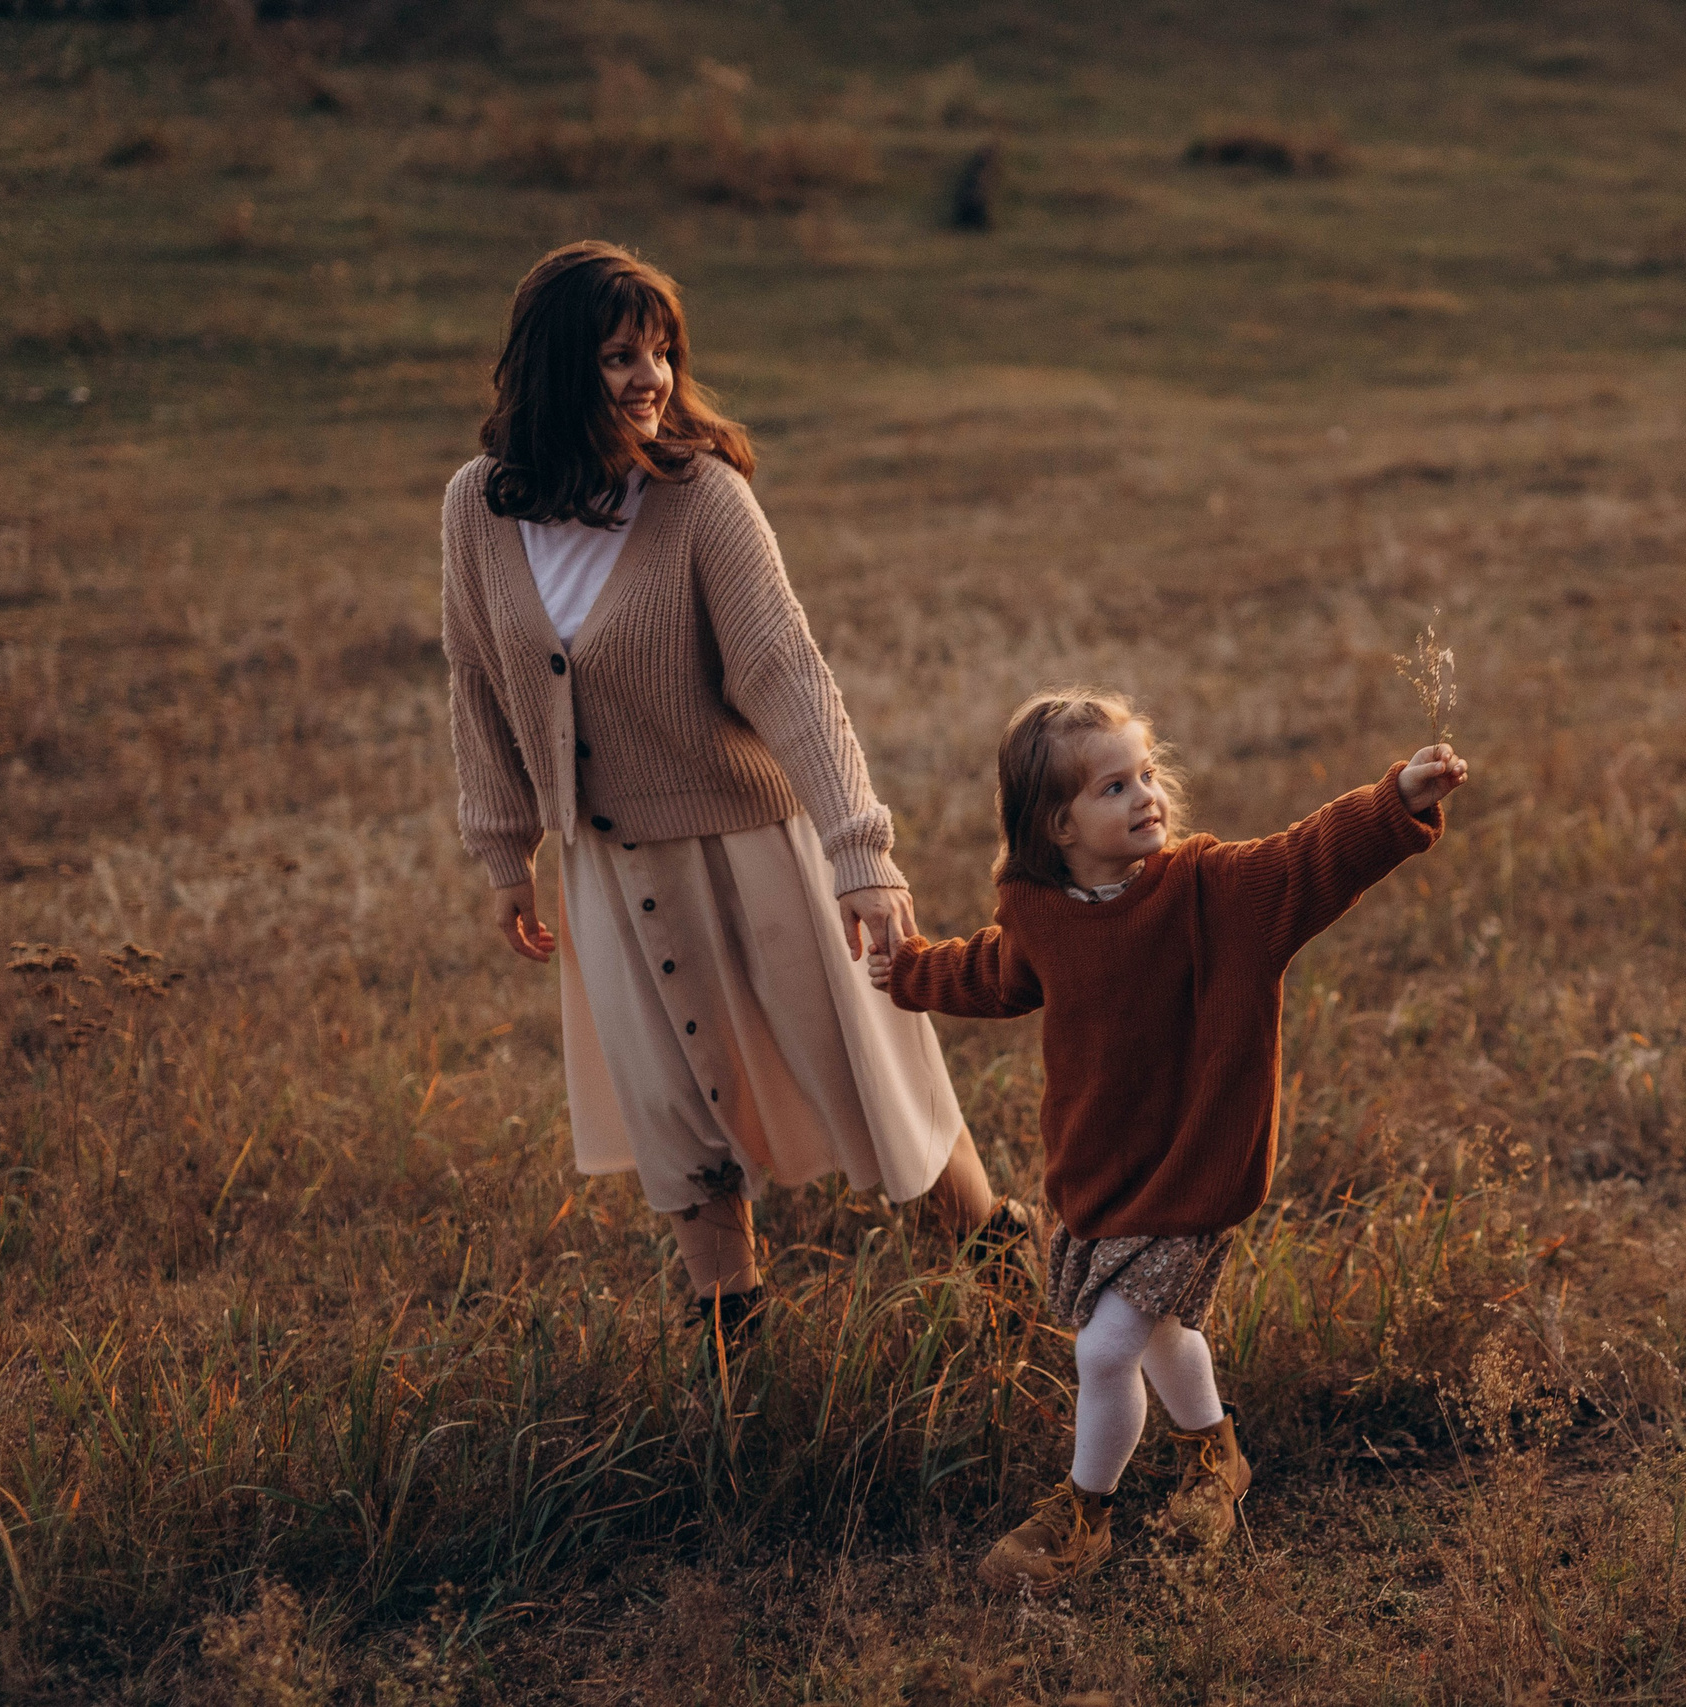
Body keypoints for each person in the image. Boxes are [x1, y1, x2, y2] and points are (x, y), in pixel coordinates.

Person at [441, 242, 1025, 1339]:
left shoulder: (700, 498)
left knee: (868, 1085)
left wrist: (861, 853)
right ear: (556, 365)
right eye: (619, 355)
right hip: (606, 869)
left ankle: (1007, 1286)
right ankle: (732, 1365)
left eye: (661, 352)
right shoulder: (478, 508)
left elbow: (788, 675)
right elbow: (475, 679)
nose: (649, 379)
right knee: (674, 1113)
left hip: (752, 847)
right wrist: (501, 850)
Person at [867, 690, 1465, 1588]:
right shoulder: (1042, 913)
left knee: (1104, 1347)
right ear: (1057, 824)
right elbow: (991, 971)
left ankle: (1083, 1513)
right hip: (1101, 1173)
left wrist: (1396, 802)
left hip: (1193, 1168)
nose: (1147, 794)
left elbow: (1308, 856)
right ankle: (1215, 1454)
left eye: (1146, 774)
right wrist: (908, 969)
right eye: (1115, 787)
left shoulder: (1214, 890)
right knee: (1157, 1337)